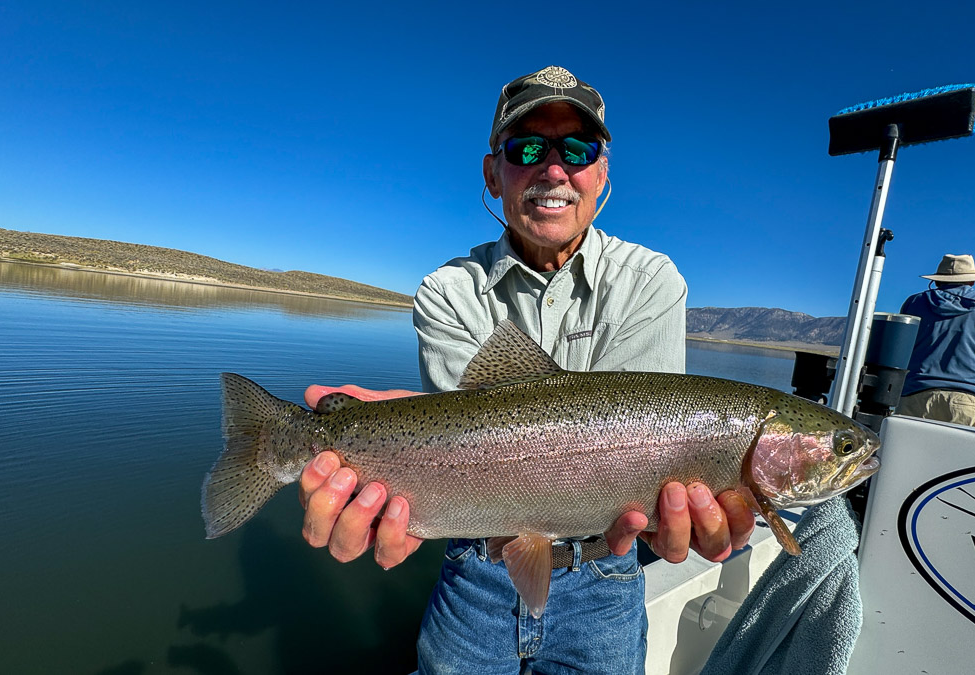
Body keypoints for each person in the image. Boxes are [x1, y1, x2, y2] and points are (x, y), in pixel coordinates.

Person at [296, 65, 755, 674]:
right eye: (528, 148)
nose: (554, 169)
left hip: (606, 579)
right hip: (475, 570)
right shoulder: (449, 290)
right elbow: (473, 433)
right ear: (494, 173)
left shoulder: (651, 281)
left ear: (603, 174)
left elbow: (633, 440)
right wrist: (376, 435)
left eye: (578, 148)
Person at [897, 253, 975, 428]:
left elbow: (899, 351)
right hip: (971, 401)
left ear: (937, 281)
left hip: (916, 395)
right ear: (972, 281)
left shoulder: (914, 303)